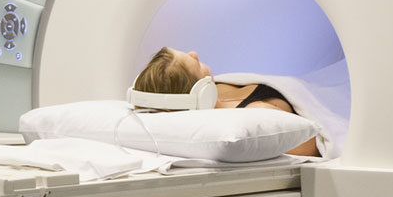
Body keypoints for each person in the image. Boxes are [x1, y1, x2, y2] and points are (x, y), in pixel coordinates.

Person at [132, 46, 320, 157]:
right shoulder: (258, 116)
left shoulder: (216, 86)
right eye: (193, 63)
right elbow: (313, 143)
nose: (194, 53)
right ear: (200, 93)